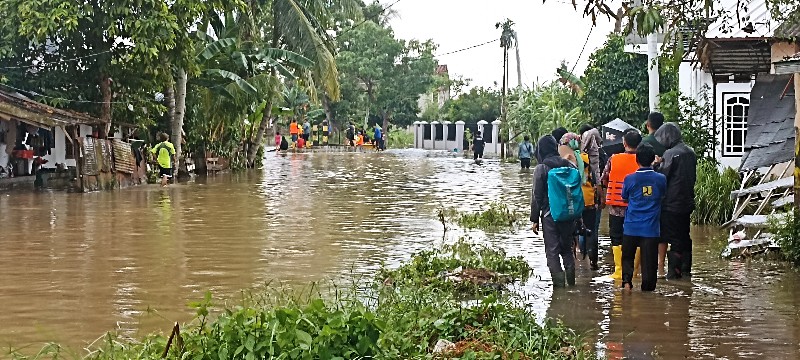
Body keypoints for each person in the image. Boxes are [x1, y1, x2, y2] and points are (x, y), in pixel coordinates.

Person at [530, 134, 578, 287]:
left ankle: (559, 292)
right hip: (568, 215)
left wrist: (534, 219)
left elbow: (536, 196)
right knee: (567, 251)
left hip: (549, 215)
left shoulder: (541, 168)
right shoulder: (569, 165)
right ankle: (571, 286)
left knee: (552, 252)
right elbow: (576, 193)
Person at [621, 144, 667, 291]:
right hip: (651, 229)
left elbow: (624, 198)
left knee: (627, 257)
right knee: (649, 265)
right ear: (653, 159)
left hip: (631, 226)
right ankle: (648, 294)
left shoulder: (629, 179)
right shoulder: (661, 179)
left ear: (637, 159)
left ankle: (627, 284)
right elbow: (662, 195)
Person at [654, 122, 697, 279]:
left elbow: (662, 177)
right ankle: (686, 270)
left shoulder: (671, 154)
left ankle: (674, 272)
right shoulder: (690, 152)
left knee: (673, 237)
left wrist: (656, 165)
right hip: (687, 201)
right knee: (684, 235)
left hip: (672, 203)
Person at [601, 130, 642, 280]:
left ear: (624, 143)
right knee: (637, 238)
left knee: (616, 237)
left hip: (616, 207)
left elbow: (604, 179)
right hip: (637, 207)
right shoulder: (643, 159)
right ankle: (635, 271)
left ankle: (619, 270)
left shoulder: (614, 159)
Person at [642, 112, 668, 276]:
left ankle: (648, 261)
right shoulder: (668, 143)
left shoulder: (645, 143)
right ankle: (661, 264)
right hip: (666, 189)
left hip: (647, 189)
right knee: (663, 227)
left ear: (648, 125)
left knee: (648, 225)